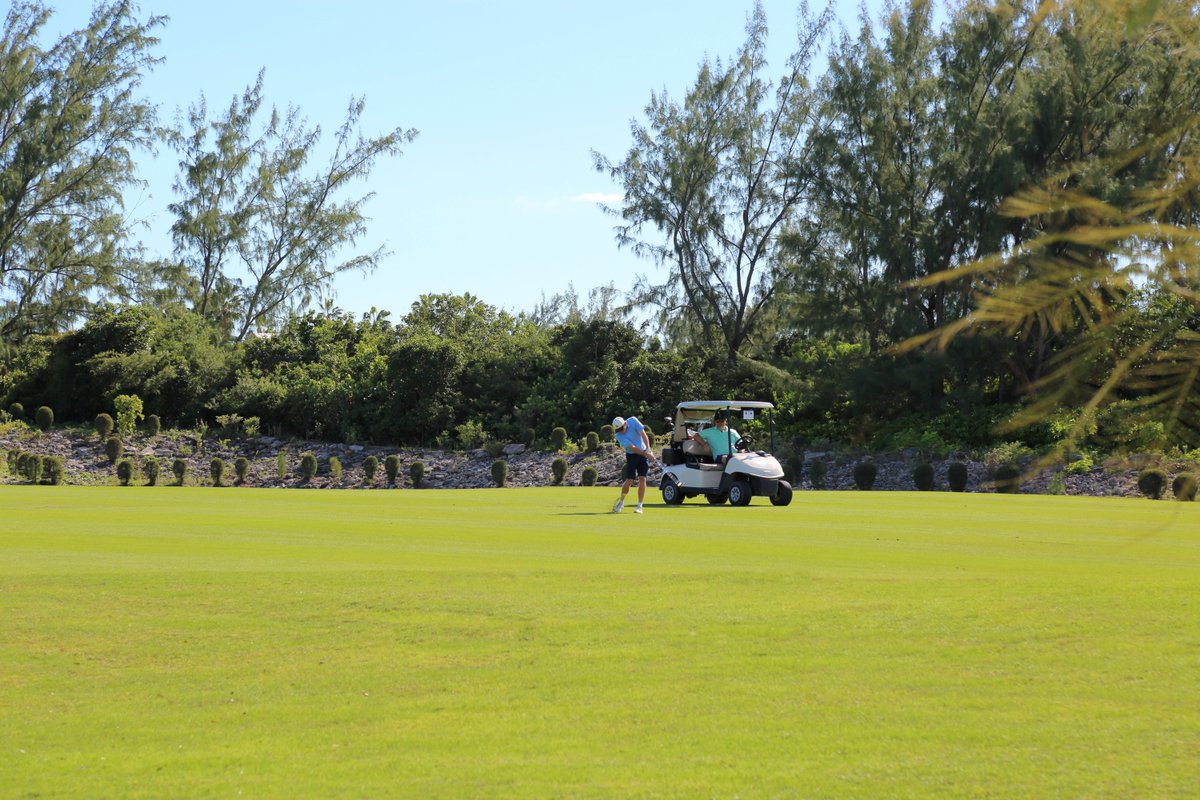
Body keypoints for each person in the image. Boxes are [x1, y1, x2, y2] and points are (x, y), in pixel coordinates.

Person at [611, 415, 656, 514]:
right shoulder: (618, 435)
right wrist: (647, 454)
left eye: (622, 428)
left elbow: (643, 434)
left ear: (625, 424)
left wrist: (648, 449)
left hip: (643, 452)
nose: (621, 431)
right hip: (632, 456)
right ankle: (621, 501)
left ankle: (640, 506)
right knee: (629, 479)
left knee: (642, 478)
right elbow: (633, 447)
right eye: (618, 430)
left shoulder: (633, 420)